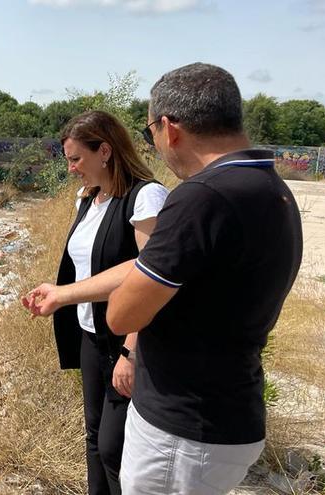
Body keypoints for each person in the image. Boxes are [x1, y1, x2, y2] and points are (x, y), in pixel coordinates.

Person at [28, 63, 303, 495]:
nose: (155, 144)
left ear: (169, 128)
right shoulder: (271, 189)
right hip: (227, 410)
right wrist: (68, 295)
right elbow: (162, 274)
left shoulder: (199, 198)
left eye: (151, 131)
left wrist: (126, 341)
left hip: (183, 428)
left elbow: (122, 313)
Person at [22, 110, 169, 495]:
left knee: (114, 448)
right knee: (93, 438)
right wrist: (53, 292)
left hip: (126, 344)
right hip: (90, 338)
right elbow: (85, 269)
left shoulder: (145, 197)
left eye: (76, 159)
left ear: (104, 151)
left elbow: (152, 279)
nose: (71, 168)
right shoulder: (88, 200)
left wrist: (131, 352)